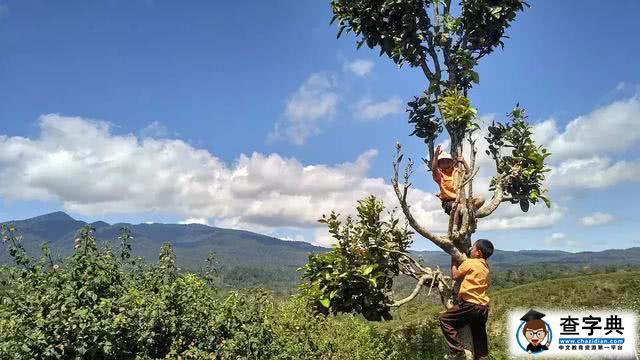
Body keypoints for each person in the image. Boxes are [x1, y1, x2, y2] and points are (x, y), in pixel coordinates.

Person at [439, 239, 494, 360]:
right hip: (483, 307)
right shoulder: (485, 266)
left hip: (470, 305)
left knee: (444, 319)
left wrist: (454, 261)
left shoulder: (470, 263)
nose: (470, 250)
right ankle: (482, 357)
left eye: (473, 248)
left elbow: (455, 276)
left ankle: (457, 350)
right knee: (479, 335)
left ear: (478, 252)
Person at [431, 145, 484, 215]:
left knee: (480, 199)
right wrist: (436, 156)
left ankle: (470, 215)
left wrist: (463, 162)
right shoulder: (440, 175)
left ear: (452, 162)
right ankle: (466, 214)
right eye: (442, 163)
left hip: (462, 200)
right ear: (439, 165)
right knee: (459, 207)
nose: (445, 164)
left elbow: (469, 174)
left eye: (448, 162)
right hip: (449, 203)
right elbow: (434, 169)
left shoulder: (457, 171)